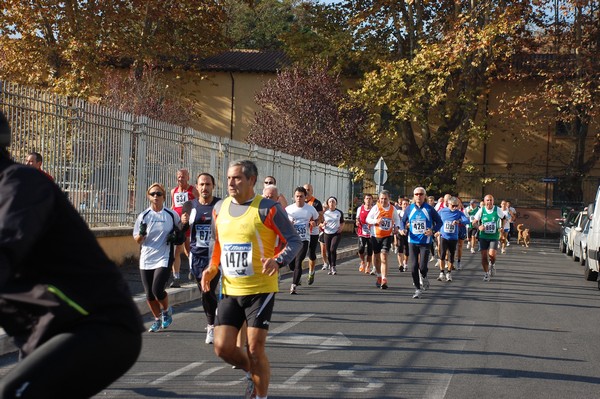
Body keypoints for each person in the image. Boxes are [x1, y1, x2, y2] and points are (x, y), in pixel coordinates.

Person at [0, 111, 144, 398]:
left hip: (98, 325)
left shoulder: (19, 184)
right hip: (45, 334)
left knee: (14, 394)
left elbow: (5, 249)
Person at [201, 160, 302, 399]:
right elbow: (218, 244)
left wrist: (278, 260)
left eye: (236, 178)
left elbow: (294, 241)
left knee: (255, 349)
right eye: (228, 178)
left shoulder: (268, 208)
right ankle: (252, 370)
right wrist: (212, 267)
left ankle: (260, 395)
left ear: (251, 180)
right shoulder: (220, 208)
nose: (231, 183)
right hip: (230, 289)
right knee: (222, 348)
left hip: (260, 289)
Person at [134, 182, 182, 332]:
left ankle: (166, 311)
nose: (156, 196)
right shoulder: (143, 216)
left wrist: (176, 237)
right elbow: (137, 239)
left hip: (164, 256)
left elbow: (180, 231)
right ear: (149, 196)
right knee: (149, 294)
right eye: (153, 194)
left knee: (157, 289)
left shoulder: (171, 214)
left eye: (159, 194)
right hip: (146, 257)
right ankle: (156, 319)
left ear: (164, 196)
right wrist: (141, 235)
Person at [181, 173, 221, 344]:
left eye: (208, 184)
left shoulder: (220, 205)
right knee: (205, 292)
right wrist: (182, 223)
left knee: (209, 288)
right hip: (196, 256)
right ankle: (215, 315)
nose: (205, 188)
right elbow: (180, 232)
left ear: (213, 186)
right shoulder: (190, 206)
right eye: (202, 184)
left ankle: (211, 325)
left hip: (215, 256)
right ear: (196, 187)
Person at [399, 187, 443, 299]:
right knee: (413, 267)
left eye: (421, 194)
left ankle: (424, 276)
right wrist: (403, 229)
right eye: (416, 194)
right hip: (412, 241)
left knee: (422, 267)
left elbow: (439, 222)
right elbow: (402, 221)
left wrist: (432, 231)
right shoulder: (409, 208)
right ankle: (418, 289)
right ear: (414, 196)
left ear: (424, 196)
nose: (418, 196)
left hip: (425, 241)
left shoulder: (429, 209)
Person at [285, 187, 319, 294]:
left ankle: (294, 285)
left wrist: (315, 223)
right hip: (291, 240)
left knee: (298, 262)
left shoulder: (310, 209)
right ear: (294, 197)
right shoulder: (288, 209)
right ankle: (297, 277)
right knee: (291, 264)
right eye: (297, 196)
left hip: (304, 239)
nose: (299, 198)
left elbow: (318, 219)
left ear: (305, 197)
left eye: (301, 196)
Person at [170, 168, 199, 287]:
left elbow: (198, 204)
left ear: (188, 177)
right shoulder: (173, 191)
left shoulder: (193, 190)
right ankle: (176, 277)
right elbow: (173, 206)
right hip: (178, 224)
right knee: (176, 251)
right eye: (179, 176)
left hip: (189, 224)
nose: (181, 178)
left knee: (188, 250)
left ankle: (193, 270)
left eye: (183, 176)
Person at [366, 190, 400, 289]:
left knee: (384, 256)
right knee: (376, 257)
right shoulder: (375, 208)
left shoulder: (392, 209)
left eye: (385, 199)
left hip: (387, 235)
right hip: (375, 236)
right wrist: (376, 221)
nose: (383, 201)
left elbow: (397, 219)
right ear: (379, 199)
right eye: (381, 199)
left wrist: (396, 227)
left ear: (388, 199)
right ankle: (379, 276)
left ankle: (384, 279)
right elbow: (368, 219)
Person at [472, 194, 506, 281]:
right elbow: (474, 222)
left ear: (493, 201)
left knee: (492, 255)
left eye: (491, 200)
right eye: (487, 200)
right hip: (483, 236)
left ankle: (492, 264)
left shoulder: (497, 209)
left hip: (494, 236)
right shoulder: (481, 210)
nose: (489, 202)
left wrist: (502, 227)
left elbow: (504, 218)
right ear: (484, 201)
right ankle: (486, 273)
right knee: (484, 256)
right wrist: (478, 227)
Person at [436, 197, 470, 282]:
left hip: (454, 237)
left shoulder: (459, 213)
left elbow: (467, 221)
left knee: (451, 256)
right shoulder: (443, 211)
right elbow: (435, 218)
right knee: (442, 255)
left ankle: (449, 273)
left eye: (456, 206)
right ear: (448, 204)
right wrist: (437, 230)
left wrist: (459, 221)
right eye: (453, 206)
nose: (455, 207)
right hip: (444, 236)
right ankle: (441, 273)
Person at [303, 183, 325, 283]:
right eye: (305, 190)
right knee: (299, 254)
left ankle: (311, 272)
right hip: (302, 232)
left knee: (311, 253)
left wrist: (316, 223)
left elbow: (321, 217)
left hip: (313, 232)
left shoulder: (316, 203)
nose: (306, 192)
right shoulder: (300, 201)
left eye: (308, 190)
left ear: (312, 191)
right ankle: (297, 274)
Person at [320, 196, 345, 276]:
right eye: (330, 202)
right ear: (327, 204)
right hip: (327, 233)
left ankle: (333, 266)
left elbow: (342, 222)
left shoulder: (339, 212)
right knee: (328, 251)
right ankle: (330, 266)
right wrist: (323, 224)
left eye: (333, 202)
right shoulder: (325, 213)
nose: (331, 203)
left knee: (332, 249)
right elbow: (320, 223)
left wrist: (341, 228)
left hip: (336, 233)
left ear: (336, 203)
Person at [355, 194, 374, 274]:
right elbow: (357, 218)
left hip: (371, 233)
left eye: (370, 199)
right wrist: (357, 222)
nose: (368, 200)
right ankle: (362, 261)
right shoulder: (360, 208)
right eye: (367, 198)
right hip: (362, 232)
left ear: (372, 200)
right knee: (361, 249)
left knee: (370, 251)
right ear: (364, 200)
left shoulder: (374, 209)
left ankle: (368, 266)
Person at [394, 197, 410, 272]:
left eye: (406, 204)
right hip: (400, 233)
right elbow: (395, 223)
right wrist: (395, 236)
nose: (405, 205)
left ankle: (405, 263)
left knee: (407, 250)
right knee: (400, 248)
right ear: (401, 205)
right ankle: (400, 264)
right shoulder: (398, 212)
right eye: (404, 204)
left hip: (408, 233)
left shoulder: (411, 213)